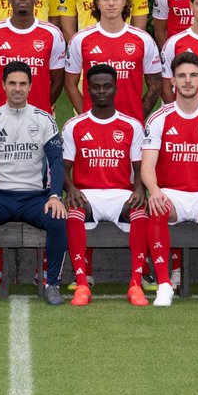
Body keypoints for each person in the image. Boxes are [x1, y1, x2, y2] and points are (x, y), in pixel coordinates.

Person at [0, 61, 68, 306]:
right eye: (12, 83)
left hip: (35, 197)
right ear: (2, 85)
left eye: (23, 83)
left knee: (58, 219)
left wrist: (55, 195)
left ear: (31, 87)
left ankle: (52, 284)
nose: (17, 88)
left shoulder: (44, 120)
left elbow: (56, 161)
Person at [140, 53, 198, 307]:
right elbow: (147, 165)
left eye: (193, 75)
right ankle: (163, 286)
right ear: (172, 81)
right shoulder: (159, 118)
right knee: (157, 208)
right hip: (171, 193)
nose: (188, 80)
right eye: (182, 76)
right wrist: (154, 190)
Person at [61, 64, 147, 306]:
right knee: (74, 214)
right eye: (96, 87)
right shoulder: (74, 126)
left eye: (106, 87)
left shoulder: (131, 125)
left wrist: (140, 188)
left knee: (141, 213)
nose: (101, 91)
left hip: (121, 193)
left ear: (115, 89)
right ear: (87, 90)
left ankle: (136, 284)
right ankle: (81, 284)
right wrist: (71, 189)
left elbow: (140, 167)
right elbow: (63, 168)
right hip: (87, 194)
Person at [64, 0, 161, 122]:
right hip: (94, 124)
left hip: (132, 126)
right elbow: (69, 84)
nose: (111, 3)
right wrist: (86, 115)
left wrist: (137, 117)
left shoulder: (143, 39)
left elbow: (156, 85)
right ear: (96, 3)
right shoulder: (81, 39)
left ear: (124, 2)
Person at [0, 0, 66, 114]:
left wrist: (43, 106)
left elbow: (58, 80)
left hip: (39, 116)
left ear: (36, 0)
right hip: (2, 115)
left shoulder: (52, 33)